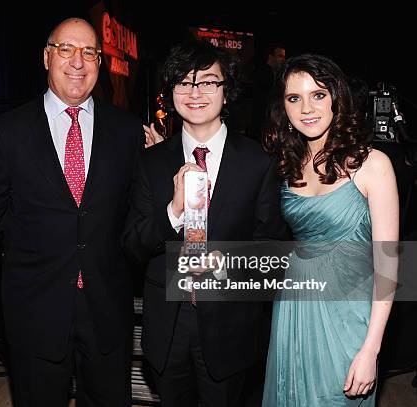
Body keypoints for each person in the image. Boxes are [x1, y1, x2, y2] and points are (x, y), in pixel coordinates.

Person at [0, 18, 142, 406]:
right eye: (67, 49)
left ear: (100, 62)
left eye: (89, 52)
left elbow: (136, 219)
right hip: (35, 313)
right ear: (47, 57)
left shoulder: (128, 132)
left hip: (107, 310)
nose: (78, 62)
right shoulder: (8, 131)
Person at [122, 39, 287, 407]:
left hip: (230, 327)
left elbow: (274, 259)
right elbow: (132, 247)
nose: (195, 92)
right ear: (171, 93)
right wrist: (174, 212)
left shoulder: (258, 163)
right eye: (184, 82)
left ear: (226, 93)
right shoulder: (150, 164)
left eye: (209, 82)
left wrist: (227, 267)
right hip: (168, 327)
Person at [262, 54, 398, 406]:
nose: (307, 107)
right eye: (294, 98)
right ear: (284, 108)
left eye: (318, 95)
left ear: (336, 98)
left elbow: (390, 266)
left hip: (348, 317)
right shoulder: (286, 164)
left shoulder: (372, 165)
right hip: (294, 308)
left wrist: (372, 349)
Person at [251, 43, 286, 140]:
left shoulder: (277, 74)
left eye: (284, 57)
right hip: (261, 124)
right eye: (280, 56)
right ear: (271, 57)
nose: (283, 60)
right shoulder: (263, 73)